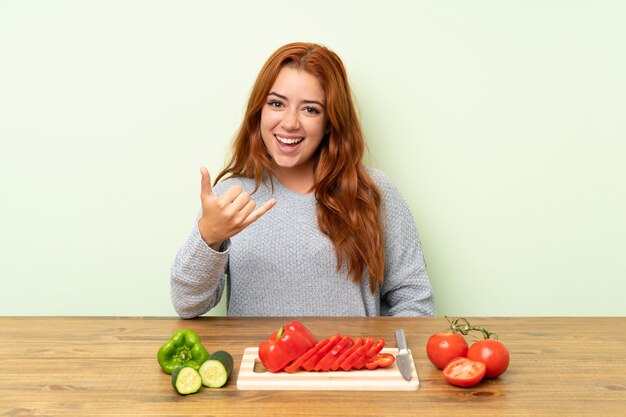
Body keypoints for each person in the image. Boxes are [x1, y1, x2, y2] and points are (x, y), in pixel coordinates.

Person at [170, 42, 435, 318]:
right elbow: (187, 304)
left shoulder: (372, 192)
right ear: (259, 110)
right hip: (259, 362)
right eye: (276, 104)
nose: (290, 123)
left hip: (350, 362)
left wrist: (380, 359)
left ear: (330, 121)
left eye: (310, 110)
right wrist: (208, 237)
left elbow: (415, 301)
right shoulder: (230, 198)